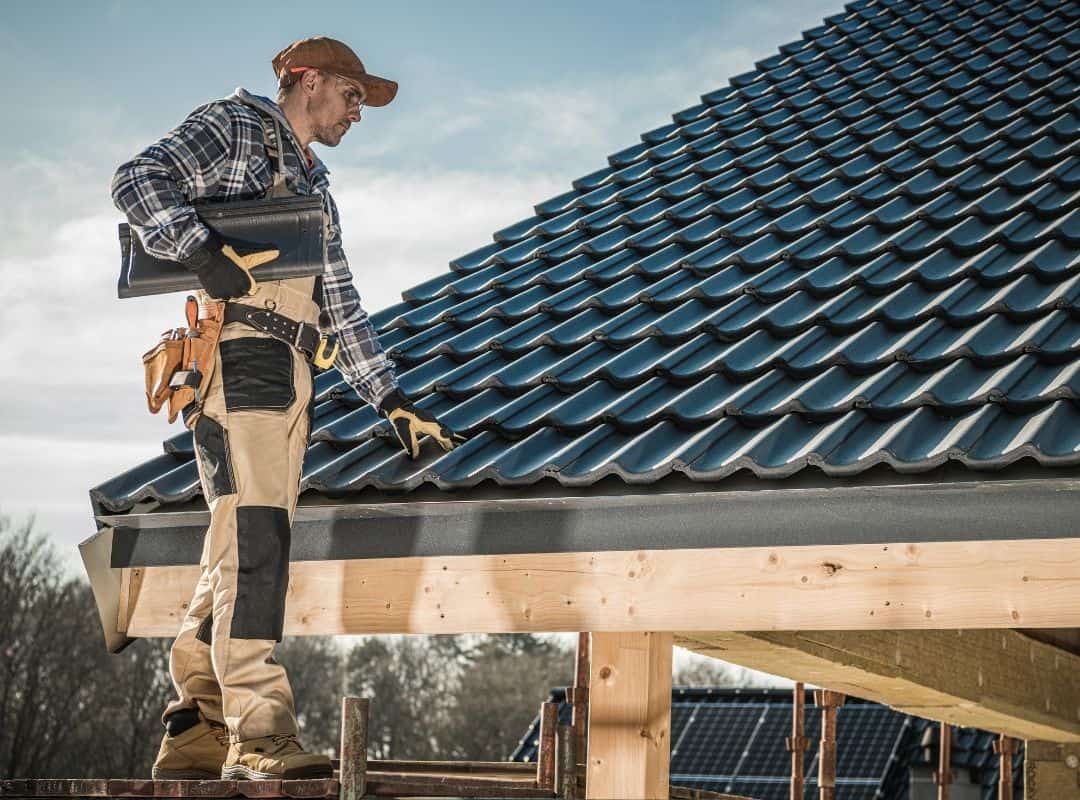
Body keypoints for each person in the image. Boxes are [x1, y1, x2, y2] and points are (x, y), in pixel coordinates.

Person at [111, 36, 461, 781]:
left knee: (234, 546)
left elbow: (341, 301)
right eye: (353, 95)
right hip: (244, 361)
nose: (359, 112)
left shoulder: (314, 186)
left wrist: (391, 400)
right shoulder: (236, 127)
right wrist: (201, 251)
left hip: (289, 370)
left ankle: (196, 726)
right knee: (260, 542)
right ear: (306, 81)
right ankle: (261, 733)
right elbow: (137, 181)